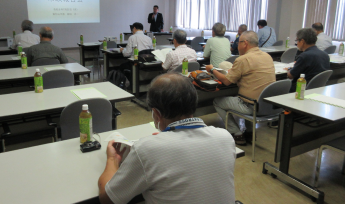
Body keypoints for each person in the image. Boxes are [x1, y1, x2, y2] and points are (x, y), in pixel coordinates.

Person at [98, 73, 236, 204]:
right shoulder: (225, 137)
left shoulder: (147, 149)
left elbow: (107, 199)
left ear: (157, 114)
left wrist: (113, 159)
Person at [208, 31, 275, 145]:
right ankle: (249, 133)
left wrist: (212, 69)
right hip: (268, 106)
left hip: (251, 106)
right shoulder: (267, 56)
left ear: (245, 43)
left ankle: (236, 133)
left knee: (218, 101)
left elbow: (227, 81)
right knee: (248, 94)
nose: (237, 45)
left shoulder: (242, 59)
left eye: (238, 42)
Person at [287, 28, 330, 92]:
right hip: (318, 89)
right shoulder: (325, 54)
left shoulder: (304, 56)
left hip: (300, 89)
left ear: (302, 41)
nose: (297, 43)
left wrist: (289, 69)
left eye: (297, 41)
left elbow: (290, 75)